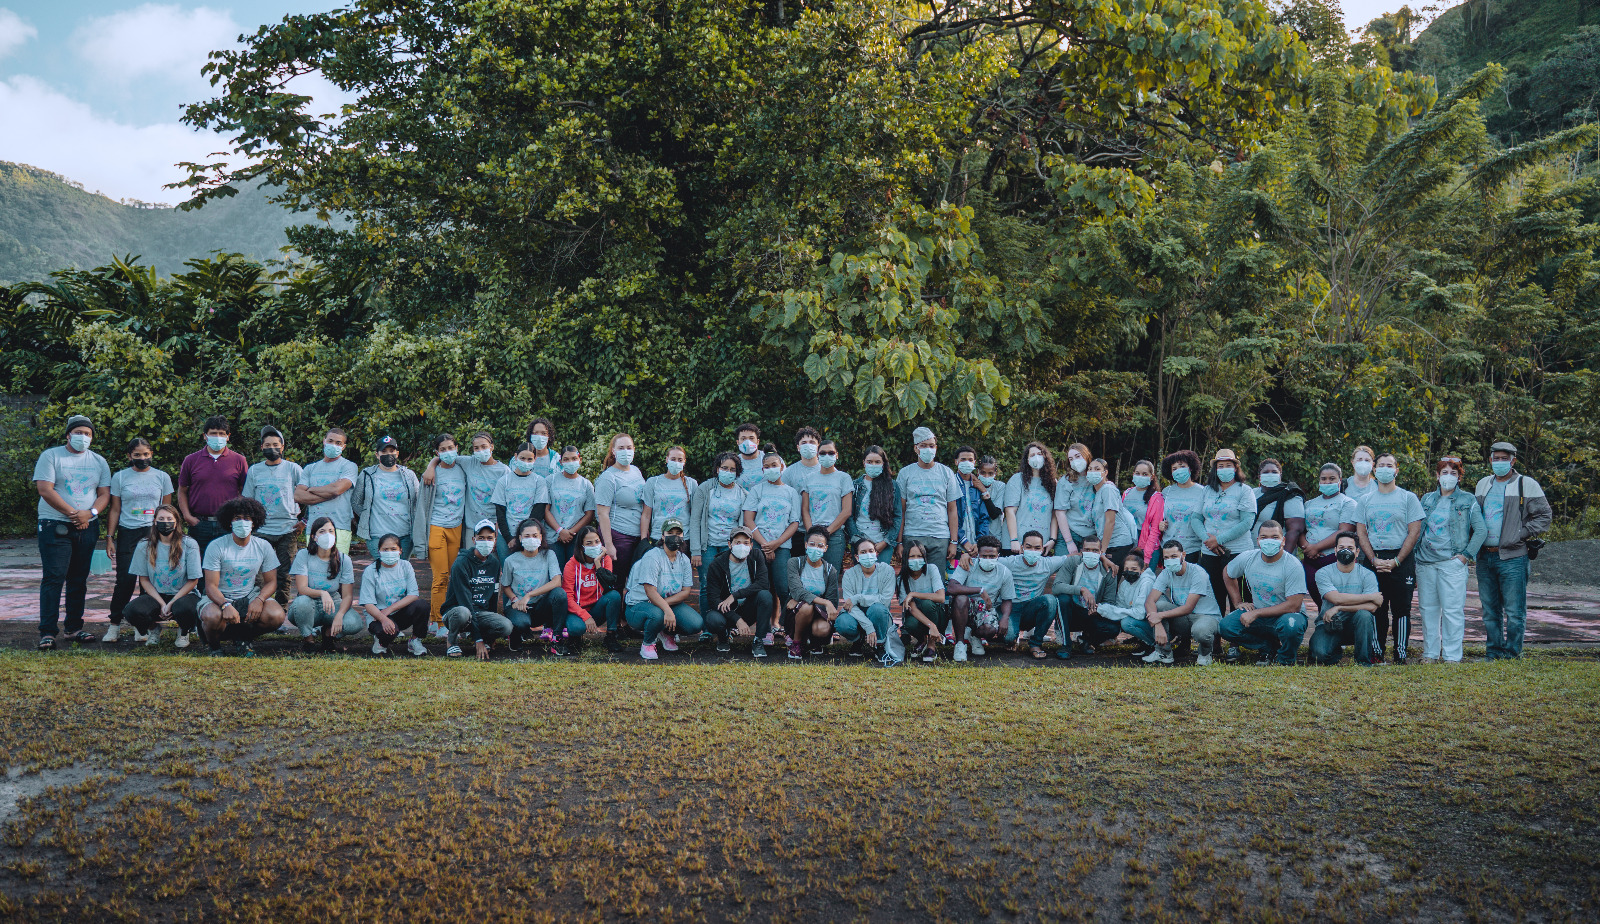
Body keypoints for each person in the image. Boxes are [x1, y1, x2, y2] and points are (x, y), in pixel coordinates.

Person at [33, 415, 112, 649]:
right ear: (68, 434)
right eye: (78, 432)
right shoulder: (51, 456)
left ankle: (74, 628)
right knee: (54, 577)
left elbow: (104, 493)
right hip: (54, 524)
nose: (83, 437)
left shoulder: (99, 461)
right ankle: (47, 632)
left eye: (88, 433)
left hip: (88, 525)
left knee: (78, 579)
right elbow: (45, 489)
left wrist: (91, 513)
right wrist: (74, 514)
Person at [1473, 441, 1551, 660]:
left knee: (1515, 611)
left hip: (1513, 556)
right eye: (1495, 458)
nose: (1499, 462)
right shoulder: (1483, 485)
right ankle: (1493, 652)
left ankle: (1512, 653)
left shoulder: (1526, 484)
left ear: (1513, 460)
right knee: (1490, 610)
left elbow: (1544, 516)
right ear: (1490, 460)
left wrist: (1521, 533)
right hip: (1485, 556)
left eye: (1504, 458)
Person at [1415, 456, 1487, 664]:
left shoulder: (1467, 500)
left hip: (1452, 563)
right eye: (1444, 473)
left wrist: (1465, 556)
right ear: (1437, 476)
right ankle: (1430, 653)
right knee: (1428, 610)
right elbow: (1419, 529)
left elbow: (1480, 530)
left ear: (1459, 477)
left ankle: (1452, 656)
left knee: (1452, 611)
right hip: (1425, 562)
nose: (1448, 477)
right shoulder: (1427, 499)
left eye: (1453, 474)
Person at [1354, 453, 1423, 664]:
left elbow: (1414, 532)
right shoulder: (1365, 500)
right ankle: (1377, 652)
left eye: (1389, 465)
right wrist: (1373, 559)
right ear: (1375, 470)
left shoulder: (1408, 498)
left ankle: (1400, 653)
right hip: (1374, 560)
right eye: (1381, 465)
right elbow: (1361, 533)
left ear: (1396, 470)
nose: (1385, 469)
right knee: (1377, 607)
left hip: (1401, 559)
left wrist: (1397, 561)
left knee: (1402, 610)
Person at [104, 437, 174, 642]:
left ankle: (144, 627)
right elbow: (115, 509)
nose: (142, 458)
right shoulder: (119, 477)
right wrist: (110, 537)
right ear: (129, 456)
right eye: (137, 455)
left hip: (153, 532)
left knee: (150, 582)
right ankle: (114, 625)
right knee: (125, 581)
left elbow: (167, 510)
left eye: (145, 454)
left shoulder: (162, 477)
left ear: (151, 454)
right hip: (128, 532)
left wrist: (167, 537)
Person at [198, 497, 286, 657]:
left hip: (248, 594)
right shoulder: (216, 546)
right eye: (237, 518)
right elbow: (211, 586)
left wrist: (259, 600)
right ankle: (214, 646)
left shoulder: (263, 546)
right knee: (212, 617)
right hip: (219, 596)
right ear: (229, 522)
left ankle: (243, 638)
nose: (242, 522)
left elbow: (272, 582)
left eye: (247, 518)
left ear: (254, 522)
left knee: (276, 615)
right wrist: (225, 605)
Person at [1219, 520, 1310, 666]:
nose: (1269, 541)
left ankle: (1285, 659)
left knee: (1292, 625)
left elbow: (1294, 606)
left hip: (1287, 615)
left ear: (1283, 540)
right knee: (1226, 626)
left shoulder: (1293, 565)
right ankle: (1267, 647)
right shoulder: (1248, 557)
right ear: (1258, 541)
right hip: (1260, 615)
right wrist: (1238, 602)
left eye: (1274, 537)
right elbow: (1228, 572)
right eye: (1264, 537)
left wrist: (1256, 613)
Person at [1125, 539, 1223, 665]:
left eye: (1174, 556)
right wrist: (1157, 624)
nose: (1170, 560)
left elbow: (1188, 607)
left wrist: (1159, 616)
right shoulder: (1166, 573)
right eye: (1166, 557)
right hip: (1184, 618)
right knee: (1159, 604)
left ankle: (1205, 653)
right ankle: (1163, 652)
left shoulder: (1198, 572)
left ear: (1183, 555)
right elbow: (1149, 601)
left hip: (1205, 616)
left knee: (1201, 631)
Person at [1199, 449, 1258, 649]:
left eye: (1228, 465)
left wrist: (1219, 540)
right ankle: (1213, 641)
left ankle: (1235, 642)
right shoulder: (1207, 490)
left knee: (1239, 598)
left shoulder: (1244, 490)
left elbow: (1247, 522)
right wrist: (1208, 541)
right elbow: (1196, 518)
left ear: (1236, 467)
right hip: (1209, 552)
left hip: (1238, 552)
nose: (1224, 469)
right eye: (1220, 465)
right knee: (1213, 596)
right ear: (1215, 469)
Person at [123, 504, 202, 647]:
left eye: (169, 518)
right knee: (131, 611)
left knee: (187, 608)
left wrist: (171, 603)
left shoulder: (189, 544)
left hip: (183, 594)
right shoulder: (144, 545)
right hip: (157, 594)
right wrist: (161, 603)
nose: (165, 522)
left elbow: (193, 580)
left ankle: (184, 632)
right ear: (154, 521)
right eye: (161, 518)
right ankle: (153, 629)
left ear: (176, 522)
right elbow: (144, 580)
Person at [624, 517, 701, 660]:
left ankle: (666, 633)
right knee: (657, 615)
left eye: (678, 533)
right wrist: (667, 609)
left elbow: (686, 591)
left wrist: (666, 605)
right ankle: (648, 643)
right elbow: (650, 591)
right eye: (670, 532)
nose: (675, 536)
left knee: (695, 624)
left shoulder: (683, 559)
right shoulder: (652, 557)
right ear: (662, 535)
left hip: (664, 602)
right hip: (640, 605)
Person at [744, 450, 801, 639]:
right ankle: (764, 631)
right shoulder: (757, 490)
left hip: (782, 547)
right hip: (759, 546)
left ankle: (789, 629)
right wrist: (765, 544)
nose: (771, 469)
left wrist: (776, 544)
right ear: (762, 469)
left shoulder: (791, 492)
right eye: (766, 466)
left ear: (782, 467)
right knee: (763, 589)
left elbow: (794, 522)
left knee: (784, 589)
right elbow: (749, 519)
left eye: (774, 465)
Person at [242, 426, 302, 607]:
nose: (272, 448)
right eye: (267, 445)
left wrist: (303, 521)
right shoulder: (254, 471)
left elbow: (307, 495)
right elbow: (247, 501)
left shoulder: (294, 469)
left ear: (282, 447)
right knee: (260, 574)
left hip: (288, 529)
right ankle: (260, 609)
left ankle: (281, 611)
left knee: (284, 573)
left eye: (276, 444)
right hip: (261, 530)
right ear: (261, 447)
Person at [413, 434, 467, 629]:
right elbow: (421, 506)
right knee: (441, 575)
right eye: (442, 450)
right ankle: (437, 621)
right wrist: (432, 465)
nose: (447, 452)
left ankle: (454, 618)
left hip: (456, 527)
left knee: (454, 575)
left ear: (457, 447)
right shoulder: (431, 473)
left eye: (450, 447)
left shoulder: (463, 468)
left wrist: (432, 462)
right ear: (437, 452)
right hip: (436, 527)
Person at [895, 426, 962, 579]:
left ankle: (935, 604)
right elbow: (901, 510)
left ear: (936, 448)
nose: (928, 449)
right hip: (912, 535)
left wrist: (953, 541)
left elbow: (952, 510)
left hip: (940, 537)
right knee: (912, 578)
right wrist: (899, 542)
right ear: (915, 448)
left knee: (936, 580)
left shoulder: (946, 473)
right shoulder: (905, 473)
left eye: (931, 446)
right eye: (923, 446)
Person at [285, 516, 358, 653]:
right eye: (322, 531)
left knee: (354, 623)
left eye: (331, 531)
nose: (327, 535)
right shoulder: (303, 555)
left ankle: (328, 634)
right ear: (313, 536)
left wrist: (339, 615)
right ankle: (308, 640)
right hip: (308, 605)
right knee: (301, 603)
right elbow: (302, 588)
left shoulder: (343, 559)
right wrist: (322, 593)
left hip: (333, 604)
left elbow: (348, 596)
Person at [177, 415, 248, 554]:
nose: (218, 437)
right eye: (213, 433)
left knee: (227, 565)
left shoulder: (239, 460)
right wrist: (187, 516)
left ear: (228, 436)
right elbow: (182, 490)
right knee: (199, 567)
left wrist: (238, 518)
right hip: (199, 523)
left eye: (222, 434)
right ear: (205, 436)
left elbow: (244, 492)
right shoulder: (191, 460)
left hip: (228, 524)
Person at [1308, 532, 1381, 666]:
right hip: (1329, 623)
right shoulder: (1323, 573)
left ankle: (1363, 662)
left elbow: (1372, 607)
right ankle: (1334, 651)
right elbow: (1335, 598)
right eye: (1341, 548)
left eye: (1350, 548)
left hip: (1356, 624)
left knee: (1365, 615)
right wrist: (1370, 597)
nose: (1345, 551)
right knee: (1319, 655)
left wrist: (1340, 607)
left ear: (1357, 552)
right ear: (1335, 551)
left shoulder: (1367, 575)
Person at [498, 519, 569, 654]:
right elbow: (505, 586)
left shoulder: (549, 555)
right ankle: (516, 634)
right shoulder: (511, 560)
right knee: (521, 623)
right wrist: (515, 600)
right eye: (527, 536)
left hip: (541, 607)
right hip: (518, 607)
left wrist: (529, 595)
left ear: (541, 537)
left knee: (559, 593)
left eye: (535, 536)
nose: (531, 539)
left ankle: (557, 639)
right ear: (520, 538)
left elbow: (557, 581)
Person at [701, 526, 774, 655]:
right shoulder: (717, 564)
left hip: (749, 608)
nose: (742, 546)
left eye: (746, 543)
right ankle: (723, 638)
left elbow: (763, 583)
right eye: (737, 542)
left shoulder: (757, 556)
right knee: (713, 619)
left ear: (751, 545)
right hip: (727, 611)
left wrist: (735, 595)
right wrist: (737, 620)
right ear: (730, 544)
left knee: (765, 596)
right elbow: (713, 600)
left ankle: (758, 640)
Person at [1003, 530, 1074, 658]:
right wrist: (965, 556)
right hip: (1011, 608)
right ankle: (1012, 638)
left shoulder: (1047, 563)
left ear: (1042, 549)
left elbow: (1073, 557)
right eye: (1028, 547)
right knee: (1008, 638)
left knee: (1050, 600)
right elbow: (987, 560)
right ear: (1022, 547)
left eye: (1037, 548)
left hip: (1032, 609)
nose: (1032, 551)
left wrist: (1101, 556)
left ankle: (1035, 643)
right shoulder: (1010, 562)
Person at [1052, 534, 1124, 659]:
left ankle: (1086, 641)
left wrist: (1098, 609)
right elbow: (1056, 587)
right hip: (1071, 612)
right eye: (1087, 550)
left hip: (1092, 614)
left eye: (1095, 550)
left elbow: (1110, 602)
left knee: (1114, 628)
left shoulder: (1109, 571)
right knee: (1062, 598)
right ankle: (1065, 645)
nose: (1091, 553)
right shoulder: (1073, 562)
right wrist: (1081, 590)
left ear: (1101, 553)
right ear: (1082, 551)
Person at [358, 532, 430, 657]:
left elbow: (413, 594)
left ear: (400, 551)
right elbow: (368, 604)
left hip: (398, 612)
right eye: (385, 549)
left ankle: (415, 640)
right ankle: (381, 643)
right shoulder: (371, 571)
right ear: (379, 551)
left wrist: (389, 610)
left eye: (393, 549)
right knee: (389, 632)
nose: (389, 552)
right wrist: (383, 618)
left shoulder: (406, 566)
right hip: (377, 616)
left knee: (422, 606)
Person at [442, 521, 504, 659]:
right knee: (463, 613)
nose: (485, 541)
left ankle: (477, 637)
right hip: (457, 612)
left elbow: (494, 596)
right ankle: (451, 641)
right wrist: (479, 640)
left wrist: (489, 636)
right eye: (481, 538)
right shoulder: (461, 563)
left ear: (495, 540)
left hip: (480, 612)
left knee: (505, 626)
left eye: (489, 538)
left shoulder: (494, 563)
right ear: (473, 539)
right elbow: (465, 602)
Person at [947, 536, 1014, 662]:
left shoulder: (1004, 572)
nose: (988, 559)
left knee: (990, 630)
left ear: (998, 555)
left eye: (992, 556)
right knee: (961, 599)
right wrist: (980, 590)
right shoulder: (968, 564)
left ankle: (974, 635)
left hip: (986, 610)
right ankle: (960, 644)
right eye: (984, 556)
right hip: (965, 607)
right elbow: (951, 587)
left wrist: (1005, 618)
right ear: (978, 555)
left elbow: (1007, 599)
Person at [1300, 463, 1358, 608]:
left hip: (1335, 559)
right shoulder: (1309, 504)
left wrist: (1316, 547)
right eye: (1323, 479)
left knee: (1336, 599)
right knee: (1319, 599)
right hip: (1310, 560)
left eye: (1332, 479)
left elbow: (1345, 531)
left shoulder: (1348, 503)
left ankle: (1338, 627)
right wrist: (1307, 548)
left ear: (1340, 480)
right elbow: (1300, 529)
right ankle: (1324, 626)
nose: (1327, 482)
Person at [295, 427, 359, 556]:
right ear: (324, 441)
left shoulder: (348, 466)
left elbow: (337, 489)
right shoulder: (310, 468)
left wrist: (312, 490)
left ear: (344, 446)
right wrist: (330, 493)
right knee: (314, 568)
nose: (333, 445)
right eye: (330, 441)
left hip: (339, 528)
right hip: (314, 528)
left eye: (338, 443)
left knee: (337, 568)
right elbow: (298, 495)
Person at [690, 451, 747, 594]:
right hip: (707, 546)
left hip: (730, 546)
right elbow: (695, 520)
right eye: (724, 468)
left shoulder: (743, 494)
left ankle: (725, 616)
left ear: (737, 472)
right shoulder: (705, 488)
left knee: (728, 586)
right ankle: (707, 617)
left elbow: (743, 525)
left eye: (732, 469)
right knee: (707, 585)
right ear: (717, 469)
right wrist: (695, 550)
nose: (728, 472)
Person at [595, 432, 647, 588]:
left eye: (629, 447)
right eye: (621, 448)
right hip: (619, 536)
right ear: (613, 451)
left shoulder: (636, 471)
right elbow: (602, 513)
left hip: (637, 537)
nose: (626, 451)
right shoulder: (608, 477)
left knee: (635, 582)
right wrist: (609, 545)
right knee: (617, 582)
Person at [353, 435, 418, 559]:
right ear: (377, 454)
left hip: (404, 535)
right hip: (376, 535)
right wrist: (369, 516)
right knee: (381, 570)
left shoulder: (409, 475)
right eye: (384, 451)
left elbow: (418, 501)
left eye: (392, 451)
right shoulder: (367, 475)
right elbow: (356, 502)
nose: (388, 454)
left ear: (397, 453)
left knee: (401, 570)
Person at [564, 524, 624, 653]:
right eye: (589, 543)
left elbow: (608, 586)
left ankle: (611, 636)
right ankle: (574, 639)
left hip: (597, 609)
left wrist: (598, 564)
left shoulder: (605, 560)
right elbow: (567, 597)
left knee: (614, 595)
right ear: (581, 546)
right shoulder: (571, 565)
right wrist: (585, 616)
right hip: (578, 612)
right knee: (576, 628)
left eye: (597, 541)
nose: (594, 545)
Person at [785, 525, 841, 659]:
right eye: (812, 544)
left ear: (826, 548)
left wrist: (803, 599)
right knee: (806, 607)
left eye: (820, 545)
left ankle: (814, 642)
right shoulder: (794, 563)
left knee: (821, 629)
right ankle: (797, 643)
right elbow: (797, 590)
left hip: (819, 613)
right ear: (805, 545)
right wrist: (823, 601)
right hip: (797, 612)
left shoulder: (830, 570)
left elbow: (832, 600)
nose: (815, 548)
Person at [801, 439, 854, 574]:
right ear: (817, 455)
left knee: (831, 577)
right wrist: (812, 533)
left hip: (834, 535)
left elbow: (846, 511)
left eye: (831, 453)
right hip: (812, 533)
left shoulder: (844, 478)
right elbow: (805, 509)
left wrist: (826, 533)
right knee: (811, 575)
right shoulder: (809, 478)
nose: (827, 456)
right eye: (823, 453)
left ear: (837, 455)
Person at [836, 536, 894, 658]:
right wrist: (868, 627)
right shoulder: (849, 574)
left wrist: (858, 598)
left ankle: (880, 644)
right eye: (863, 552)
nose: (868, 555)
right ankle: (859, 640)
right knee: (842, 622)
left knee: (877, 609)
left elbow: (884, 600)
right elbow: (849, 606)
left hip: (878, 614)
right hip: (856, 614)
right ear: (857, 557)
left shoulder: (887, 570)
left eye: (871, 551)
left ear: (876, 554)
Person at [1004, 441, 1062, 555]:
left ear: (1045, 457)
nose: (1037, 458)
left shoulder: (1053, 483)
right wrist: (1014, 540)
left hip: (1041, 545)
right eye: (1032, 455)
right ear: (1027, 460)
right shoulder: (1017, 479)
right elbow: (1010, 511)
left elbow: (1055, 514)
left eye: (1040, 454)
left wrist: (1052, 539)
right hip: (1017, 544)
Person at [493, 442, 551, 554]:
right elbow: (500, 512)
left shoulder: (539, 481)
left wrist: (525, 536)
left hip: (530, 536)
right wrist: (509, 538)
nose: (526, 462)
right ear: (515, 457)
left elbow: (538, 511)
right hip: (506, 536)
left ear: (535, 459)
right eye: (522, 458)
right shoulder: (503, 481)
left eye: (530, 459)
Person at [545, 446, 596, 568]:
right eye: (566, 459)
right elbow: (545, 509)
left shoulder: (586, 485)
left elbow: (589, 514)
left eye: (574, 458)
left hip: (576, 537)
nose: (570, 462)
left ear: (580, 460)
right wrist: (560, 531)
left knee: (573, 572)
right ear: (561, 461)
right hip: (554, 536)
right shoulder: (550, 481)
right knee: (556, 572)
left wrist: (570, 532)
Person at [897, 541, 948, 663]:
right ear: (905, 558)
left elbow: (941, 597)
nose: (916, 560)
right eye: (912, 556)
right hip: (919, 617)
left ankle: (931, 645)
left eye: (919, 556)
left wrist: (913, 594)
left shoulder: (931, 569)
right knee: (910, 623)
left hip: (938, 614)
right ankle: (922, 640)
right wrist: (931, 626)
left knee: (927, 603)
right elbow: (912, 608)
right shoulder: (901, 578)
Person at [641, 446, 698, 556]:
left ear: (684, 462)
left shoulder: (692, 484)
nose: (676, 462)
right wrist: (644, 540)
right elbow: (646, 514)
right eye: (673, 459)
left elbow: (695, 516)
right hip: (658, 537)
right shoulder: (653, 482)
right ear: (666, 460)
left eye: (680, 460)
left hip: (683, 539)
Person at [850, 445, 901, 563]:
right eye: (869, 461)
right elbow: (849, 516)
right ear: (864, 463)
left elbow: (897, 516)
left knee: (881, 577)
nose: (873, 465)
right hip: (860, 541)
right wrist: (859, 540)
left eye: (877, 462)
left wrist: (886, 542)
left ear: (883, 464)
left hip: (883, 543)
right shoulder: (855, 486)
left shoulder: (892, 486)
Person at [1158, 449, 1206, 570]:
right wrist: (1161, 524)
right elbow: (1160, 515)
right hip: (1168, 547)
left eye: (1182, 466)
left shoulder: (1203, 491)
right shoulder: (1166, 492)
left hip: (1192, 548)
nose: (1178, 471)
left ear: (1190, 468)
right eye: (1174, 469)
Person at [1092, 549, 1158, 636]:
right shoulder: (1124, 584)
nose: (1129, 571)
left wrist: (1108, 610)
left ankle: (1152, 643)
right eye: (1126, 569)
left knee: (1126, 623)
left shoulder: (1146, 583)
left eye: (1134, 569)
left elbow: (1140, 613)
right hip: (1134, 617)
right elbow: (1120, 606)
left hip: (1151, 621)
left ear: (1142, 570)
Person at [1084, 459, 1137, 566]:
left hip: (1117, 544)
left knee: (1110, 579)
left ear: (1105, 472)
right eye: (1090, 469)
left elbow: (1110, 521)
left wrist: (1102, 551)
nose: (1092, 471)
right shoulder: (1098, 492)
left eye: (1097, 469)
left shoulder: (1108, 489)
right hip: (1107, 544)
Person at [952, 446, 996, 566]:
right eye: (963, 459)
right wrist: (964, 541)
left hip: (977, 547)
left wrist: (980, 542)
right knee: (955, 579)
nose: (967, 462)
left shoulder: (978, 486)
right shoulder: (950, 484)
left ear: (974, 463)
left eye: (970, 460)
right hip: (956, 546)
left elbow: (984, 518)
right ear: (956, 462)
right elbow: (950, 517)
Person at [1253, 459, 1305, 554]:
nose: (1270, 474)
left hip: (1278, 552)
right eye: (1266, 472)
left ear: (1280, 475)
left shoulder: (1290, 495)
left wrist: (1283, 557)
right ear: (1259, 477)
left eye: (1274, 472)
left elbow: (1295, 530)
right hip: (1251, 551)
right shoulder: (1251, 494)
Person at [1052, 442, 1096, 550]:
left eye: (1078, 456)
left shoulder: (1096, 478)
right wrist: (1069, 542)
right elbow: (1060, 512)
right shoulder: (1065, 482)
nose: (1075, 461)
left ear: (1086, 456)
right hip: (1071, 533)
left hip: (1093, 535)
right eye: (1071, 459)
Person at [1122, 460, 1164, 569]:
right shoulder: (1127, 493)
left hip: (1148, 545)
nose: (1141, 476)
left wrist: (1147, 556)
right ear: (1133, 474)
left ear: (1151, 477)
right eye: (1137, 473)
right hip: (1129, 542)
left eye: (1145, 474)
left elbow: (1155, 529)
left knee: (1146, 581)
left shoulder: (1156, 497)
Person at [733, 422, 767, 489]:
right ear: (738, 442)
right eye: (743, 439)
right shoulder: (733, 462)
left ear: (758, 441)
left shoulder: (770, 459)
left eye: (751, 438)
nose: (747, 442)